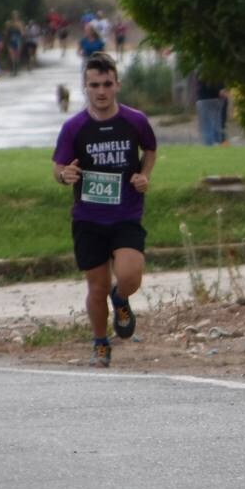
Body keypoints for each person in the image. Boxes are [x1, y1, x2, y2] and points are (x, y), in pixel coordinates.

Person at [52, 52, 157, 368]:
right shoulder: (74, 127)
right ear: (85, 87)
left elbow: (150, 148)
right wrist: (64, 175)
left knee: (129, 275)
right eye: (94, 85)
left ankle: (121, 298)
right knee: (96, 287)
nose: (101, 91)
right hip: (88, 218)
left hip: (126, 213)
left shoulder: (134, 121)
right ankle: (100, 343)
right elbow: (59, 168)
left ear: (117, 85)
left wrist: (144, 175)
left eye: (107, 84)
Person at [195, 73, 230, 146]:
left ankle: (212, 147)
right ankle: (217, 146)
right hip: (212, 99)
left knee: (208, 129)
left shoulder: (203, 67)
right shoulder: (216, 68)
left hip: (205, 99)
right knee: (216, 128)